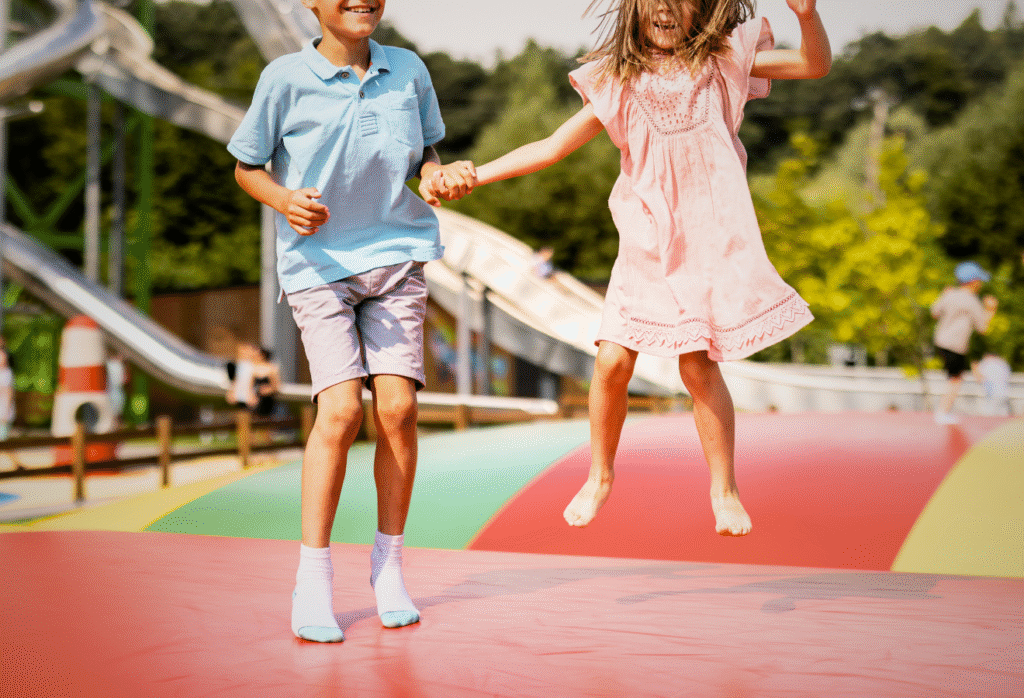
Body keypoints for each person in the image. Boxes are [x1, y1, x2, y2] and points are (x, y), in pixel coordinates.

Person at [457, 0, 831, 536]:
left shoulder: (725, 59)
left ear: (702, 8)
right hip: (646, 242)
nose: (663, 6)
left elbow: (814, 66)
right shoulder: (619, 81)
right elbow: (553, 146)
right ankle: (599, 475)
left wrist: (808, 16)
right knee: (611, 362)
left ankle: (724, 488)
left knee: (696, 364)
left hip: (704, 244)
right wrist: (477, 175)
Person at [228, 0, 474, 643]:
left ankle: (389, 567)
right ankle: (312, 579)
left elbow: (426, 153)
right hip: (318, 266)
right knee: (339, 412)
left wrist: (436, 175)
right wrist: (284, 200)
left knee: (397, 410)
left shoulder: (410, 70)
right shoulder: (282, 78)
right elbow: (246, 166)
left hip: (397, 259)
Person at [930, 261, 998, 424]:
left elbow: (935, 312)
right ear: (973, 282)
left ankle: (943, 412)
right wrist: (990, 310)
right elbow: (982, 328)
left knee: (953, 377)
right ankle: (942, 413)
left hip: (940, 341)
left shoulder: (950, 294)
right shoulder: (972, 301)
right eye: (979, 281)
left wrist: (944, 295)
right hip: (956, 345)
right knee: (956, 379)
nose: (980, 284)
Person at [971, 349, 1012, 417]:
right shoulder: (1003, 363)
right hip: (1005, 394)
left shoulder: (986, 363)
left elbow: (979, 379)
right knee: (1003, 420)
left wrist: (974, 367)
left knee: (988, 419)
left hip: (992, 395)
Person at [252, 347, 282, 418]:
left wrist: (268, 390)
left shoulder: (272, 368)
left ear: (263, 355)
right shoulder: (252, 367)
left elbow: (276, 387)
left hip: (266, 401)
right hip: (253, 399)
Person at [0, 346, 13, 441]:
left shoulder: (7, 373)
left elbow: (9, 393)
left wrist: (6, 413)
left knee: (3, 442)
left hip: (3, 411)